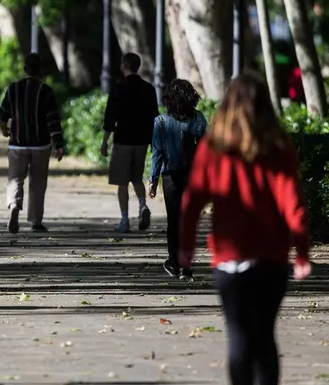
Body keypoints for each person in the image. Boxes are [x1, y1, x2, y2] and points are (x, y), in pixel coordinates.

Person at [179, 75, 311, 385]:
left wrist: (185, 247)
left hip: (229, 259)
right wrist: (302, 253)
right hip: (272, 259)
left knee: (239, 336)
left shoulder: (214, 147)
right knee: (264, 337)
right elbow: (293, 204)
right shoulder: (279, 147)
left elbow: (192, 201)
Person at [0, 53, 65, 234]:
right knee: (38, 183)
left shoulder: (13, 89)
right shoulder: (46, 91)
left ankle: (13, 205)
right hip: (41, 145)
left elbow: (3, 114)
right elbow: (53, 120)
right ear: (40, 70)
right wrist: (59, 143)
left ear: (25, 69)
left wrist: (5, 130)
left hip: (17, 144)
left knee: (15, 178)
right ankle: (36, 221)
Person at [147, 79, 208, 281]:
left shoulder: (161, 122)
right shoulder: (199, 119)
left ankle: (174, 263)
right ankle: (186, 267)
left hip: (170, 177)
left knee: (174, 221)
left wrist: (152, 181)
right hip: (194, 176)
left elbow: (157, 154)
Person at [100, 52, 159, 233]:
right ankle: (142, 205)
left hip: (123, 140)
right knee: (137, 178)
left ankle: (124, 220)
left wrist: (104, 141)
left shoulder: (119, 88)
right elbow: (154, 116)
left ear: (124, 65)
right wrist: (153, 142)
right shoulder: (148, 89)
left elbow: (110, 117)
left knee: (122, 183)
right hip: (141, 141)